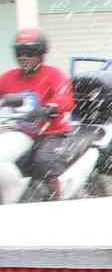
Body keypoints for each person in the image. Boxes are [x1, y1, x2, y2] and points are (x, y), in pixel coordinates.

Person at [0, 28, 75, 205]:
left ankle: (59, 201)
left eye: (30, 52)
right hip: (18, 131)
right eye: (19, 52)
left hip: (51, 131)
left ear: (41, 53)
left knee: (44, 161)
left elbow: (65, 97)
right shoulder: (8, 77)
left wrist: (51, 107)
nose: (23, 57)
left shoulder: (53, 74)